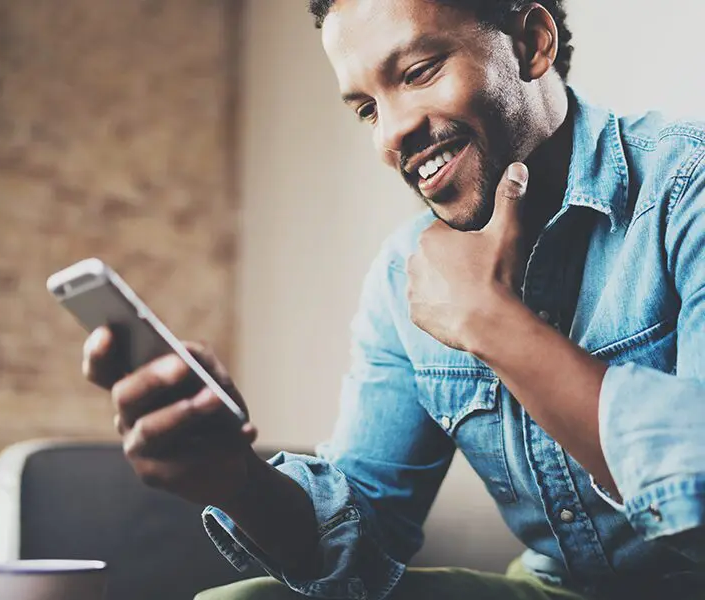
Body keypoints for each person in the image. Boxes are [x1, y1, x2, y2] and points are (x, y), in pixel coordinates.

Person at [82, 0, 705, 598]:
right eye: (365, 110)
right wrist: (238, 480)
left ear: (531, 43)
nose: (394, 134)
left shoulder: (685, 187)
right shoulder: (403, 275)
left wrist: (487, 319)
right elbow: (360, 537)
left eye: (417, 72)